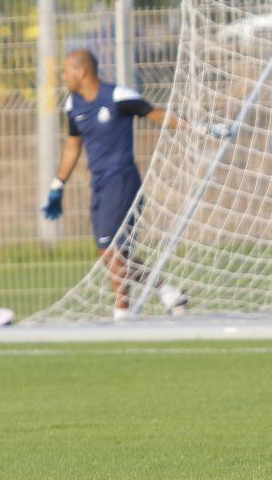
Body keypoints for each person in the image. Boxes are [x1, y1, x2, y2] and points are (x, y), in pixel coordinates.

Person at [41, 49, 186, 319]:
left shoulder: (118, 96)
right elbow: (73, 146)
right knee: (109, 252)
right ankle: (167, 291)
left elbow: (155, 114)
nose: (63, 77)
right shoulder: (73, 105)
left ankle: (122, 313)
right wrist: (57, 185)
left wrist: (198, 128)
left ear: (81, 72)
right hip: (99, 183)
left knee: (113, 249)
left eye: (66, 72)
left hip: (121, 180)